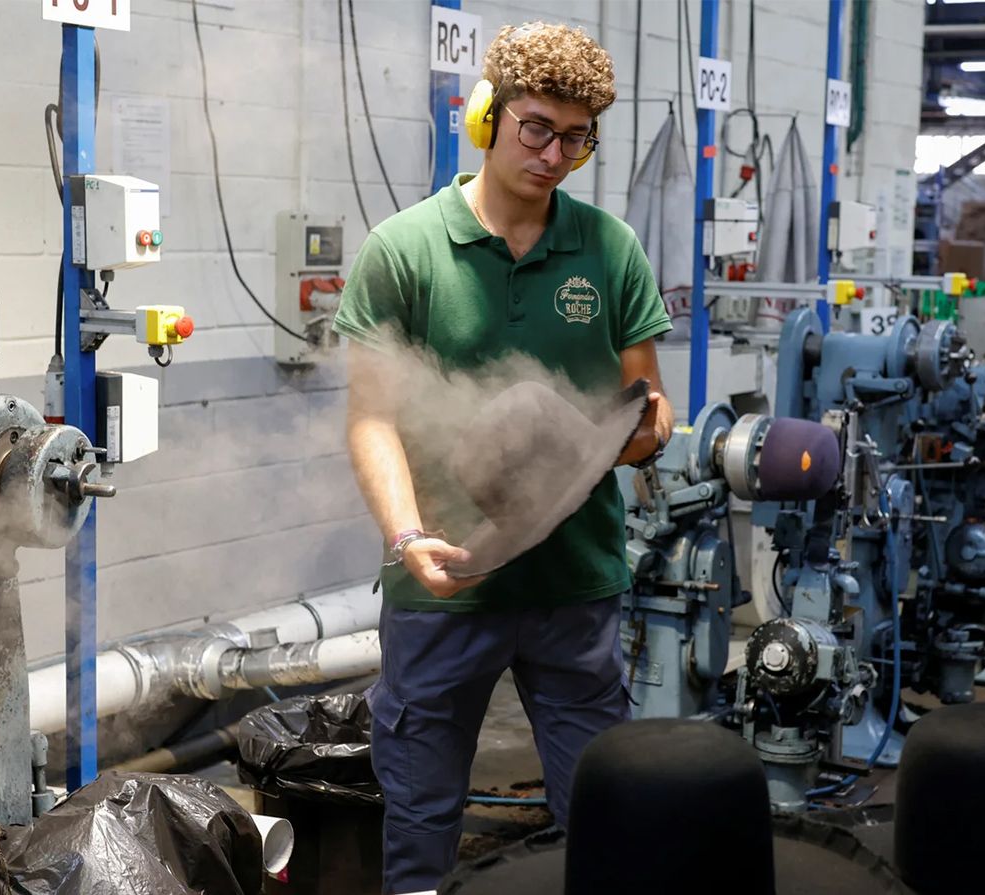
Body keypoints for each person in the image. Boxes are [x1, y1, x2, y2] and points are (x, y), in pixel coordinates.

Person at [329, 23, 672, 894]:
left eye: (577, 138)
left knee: (606, 820)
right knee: (419, 822)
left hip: (575, 582)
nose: (555, 156)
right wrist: (408, 535)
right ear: (487, 116)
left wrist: (649, 429)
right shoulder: (403, 251)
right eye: (537, 129)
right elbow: (372, 419)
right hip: (444, 584)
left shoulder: (610, 250)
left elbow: (644, 396)